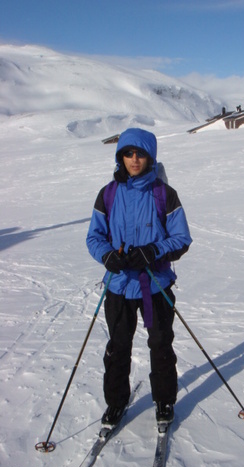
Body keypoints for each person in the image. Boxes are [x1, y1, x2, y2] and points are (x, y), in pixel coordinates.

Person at [86, 127, 192, 428]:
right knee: (118, 347)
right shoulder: (108, 193)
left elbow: (181, 239)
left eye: (140, 154)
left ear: (150, 157)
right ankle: (116, 404)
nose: (134, 159)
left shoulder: (164, 194)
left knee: (160, 344)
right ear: (121, 156)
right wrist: (107, 255)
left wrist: (153, 251)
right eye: (129, 153)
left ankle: (164, 400)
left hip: (156, 283)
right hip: (119, 285)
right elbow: (94, 236)